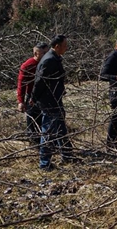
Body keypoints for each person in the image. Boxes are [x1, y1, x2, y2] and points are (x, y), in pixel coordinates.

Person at [32, 35, 74, 170]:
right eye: (65, 45)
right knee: (48, 131)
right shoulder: (49, 60)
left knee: (61, 128)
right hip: (49, 102)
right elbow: (39, 82)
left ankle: (67, 155)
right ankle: (44, 163)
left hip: (55, 99)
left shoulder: (55, 58)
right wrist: (33, 98)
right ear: (57, 46)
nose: (66, 48)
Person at [17, 42, 49, 147]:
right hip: (32, 96)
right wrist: (21, 101)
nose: (46, 54)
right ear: (36, 53)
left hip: (47, 95)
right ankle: (34, 144)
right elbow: (21, 84)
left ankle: (47, 142)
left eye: (47, 52)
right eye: (43, 53)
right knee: (33, 121)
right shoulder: (28, 65)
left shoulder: (49, 63)